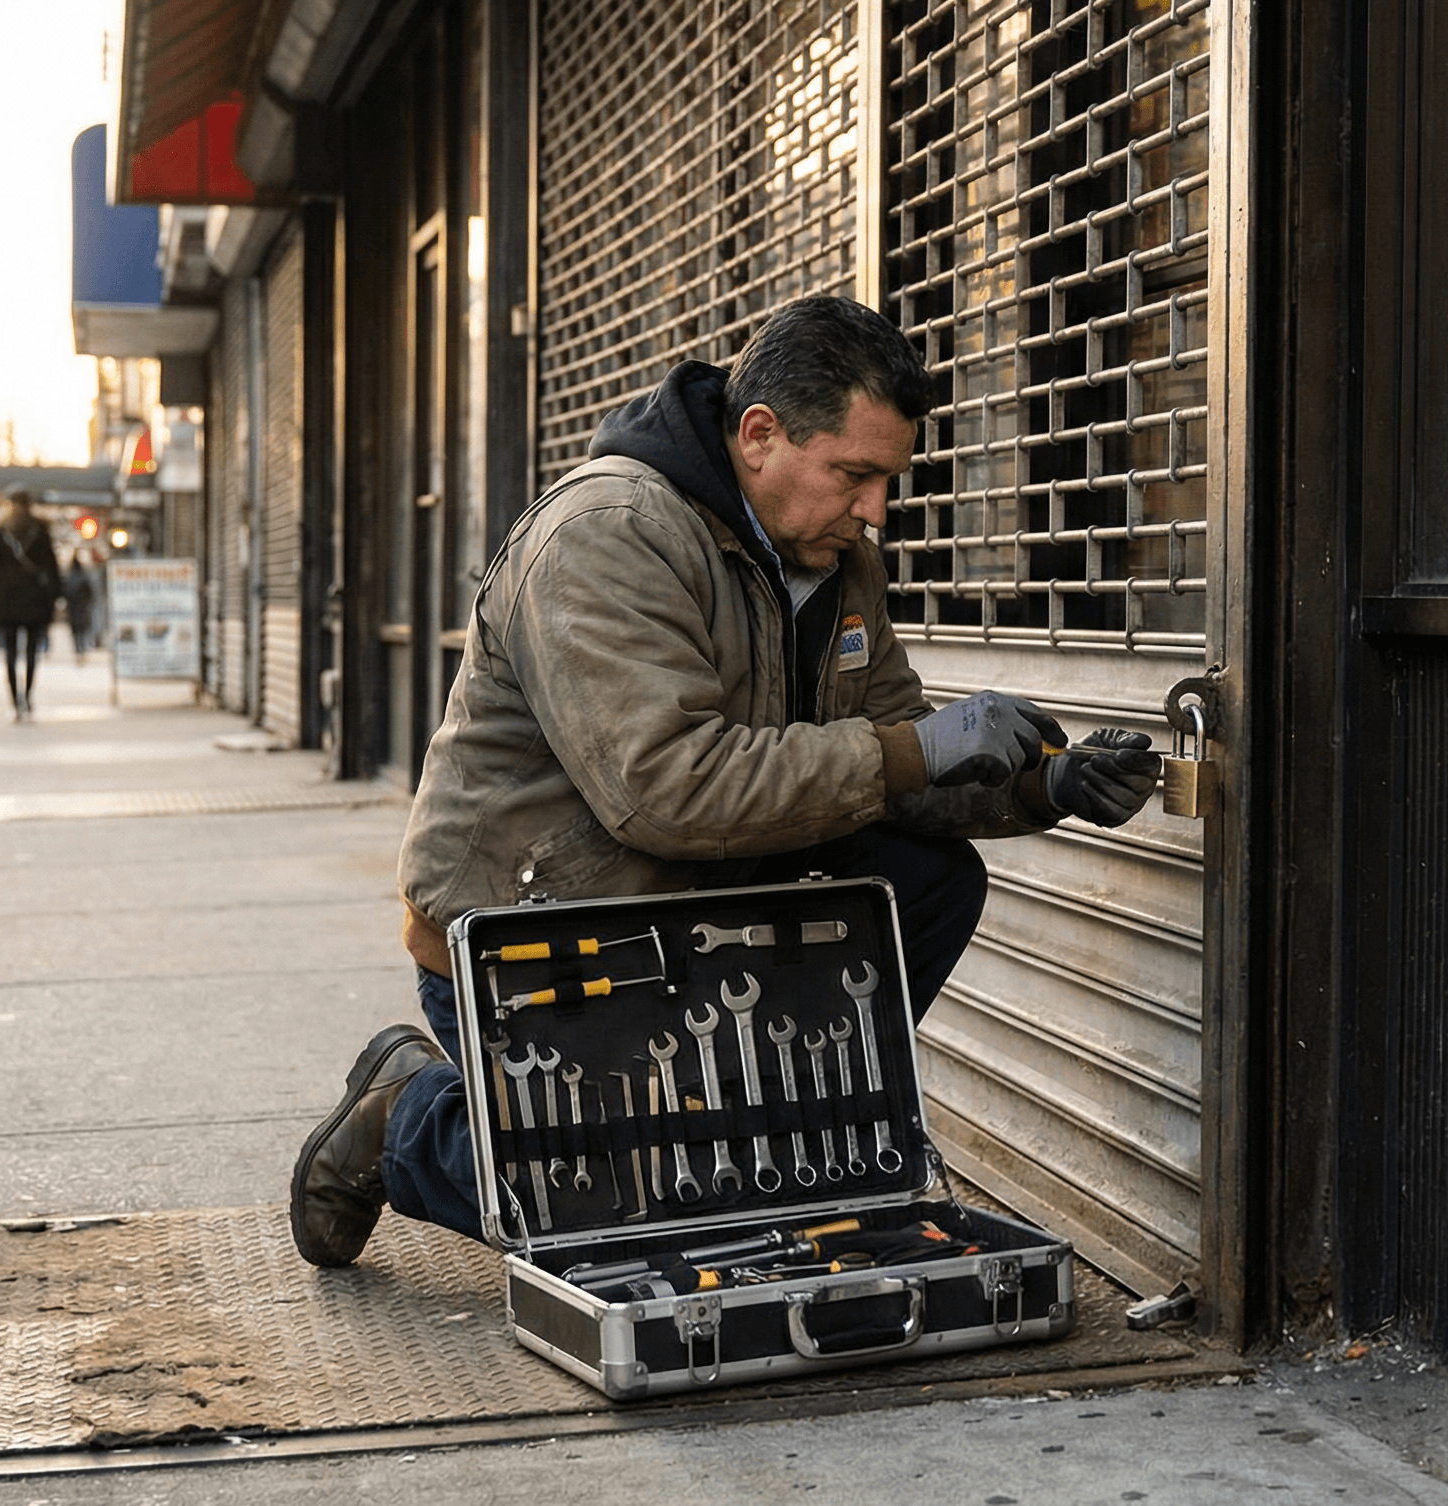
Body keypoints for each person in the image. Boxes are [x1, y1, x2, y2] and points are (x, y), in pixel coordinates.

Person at [287, 295, 1164, 1268]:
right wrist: (920, 747)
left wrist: (1045, 785)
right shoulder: (606, 535)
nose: (875, 510)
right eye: (854, 475)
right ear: (759, 436)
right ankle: (402, 1110)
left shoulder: (834, 559)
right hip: (539, 936)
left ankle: (770, 1134)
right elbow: (665, 791)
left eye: (885, 481)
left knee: (929, 875)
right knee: (647, 1203)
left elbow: (891, 768)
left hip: (702, 928)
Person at [0, 492, 59, 721]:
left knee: (11, 652)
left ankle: (17, 698)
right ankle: (25, 696)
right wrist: (55, 598)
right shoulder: (40, 531)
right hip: (33, 599)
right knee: (29, 653)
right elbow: (51, 568)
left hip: (7, 599)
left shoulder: (0, 532)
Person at [62, 548, 99, 663]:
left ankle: (78, 649)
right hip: (82, 606)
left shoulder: (69, 576)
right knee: (81, 629)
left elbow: (65, 591)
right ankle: (81, 648)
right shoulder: (83, 575)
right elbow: (90, 591)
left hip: (73, 607)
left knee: (75, 630)